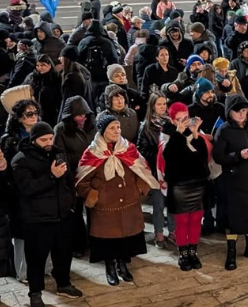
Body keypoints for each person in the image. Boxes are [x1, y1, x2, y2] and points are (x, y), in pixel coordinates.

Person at [76, 113, 159, 286]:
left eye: (118, 127)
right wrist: (93, 195)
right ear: (103, 130)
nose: (117, 131)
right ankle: (110, 267)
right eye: (112, 128)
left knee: (125, 238)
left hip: (128, 203)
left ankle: (122, 265)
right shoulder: (92, 152)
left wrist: (139, 187)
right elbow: (81, 180)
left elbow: (141, 168)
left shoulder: (127, 148)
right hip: (105, 206)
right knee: (108, 240)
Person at [10, 121, 83, 307]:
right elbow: (26, 188)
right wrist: (51, 176)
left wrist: (71, 206)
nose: (49, 142)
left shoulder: (58, 153)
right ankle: (35, 292)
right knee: (36, 259)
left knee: (64, 254)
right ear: (33, 140)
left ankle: (63, 284)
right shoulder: (20, 159)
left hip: (63, 215)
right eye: (44, 139)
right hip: (38, 219)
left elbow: (68, 183)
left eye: (51, 138)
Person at [212, 95, 248, 270]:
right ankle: (231, 253)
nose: (241, 114)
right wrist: (238, 156)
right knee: (234, 219)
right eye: (237, 111)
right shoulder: (223, 130)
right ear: (230, 112)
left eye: (244, 110)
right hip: (235, 182)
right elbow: (218, 156)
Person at [159, 103, 212, 271]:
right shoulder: (168, 135)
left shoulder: (194, 131)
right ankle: (183, 253)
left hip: (197, 183)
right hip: (179, 185)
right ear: (173, 120)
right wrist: (179, 134)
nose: (183, 122)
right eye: (179, 119)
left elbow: (203, 157)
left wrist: (196, 133)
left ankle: (193, 251)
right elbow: (169, 156)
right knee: (182, 222)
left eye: (185, 118)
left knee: (196, 219)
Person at [52, 96, 96, 256]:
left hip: (92, 176)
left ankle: (95, 241)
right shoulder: (61, 130)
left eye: (85, 114)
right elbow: (60, 155)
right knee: (76, 213)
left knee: (95, 211)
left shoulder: (92, 126)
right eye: (78, 115)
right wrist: (70, 179)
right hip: (73, 177)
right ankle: (79, 244)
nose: (82, 118)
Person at [136, 93, 175, 249]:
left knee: (172, 203)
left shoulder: (171, 123)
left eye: (164, 104)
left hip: (171, 170)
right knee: (158, 204)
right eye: (159, 104)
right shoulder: (146, 126)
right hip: (156, 171)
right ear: (152, 106)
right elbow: (142, 149)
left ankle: (173, 231)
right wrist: (159, 155)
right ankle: (159, 233)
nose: (162, 107)